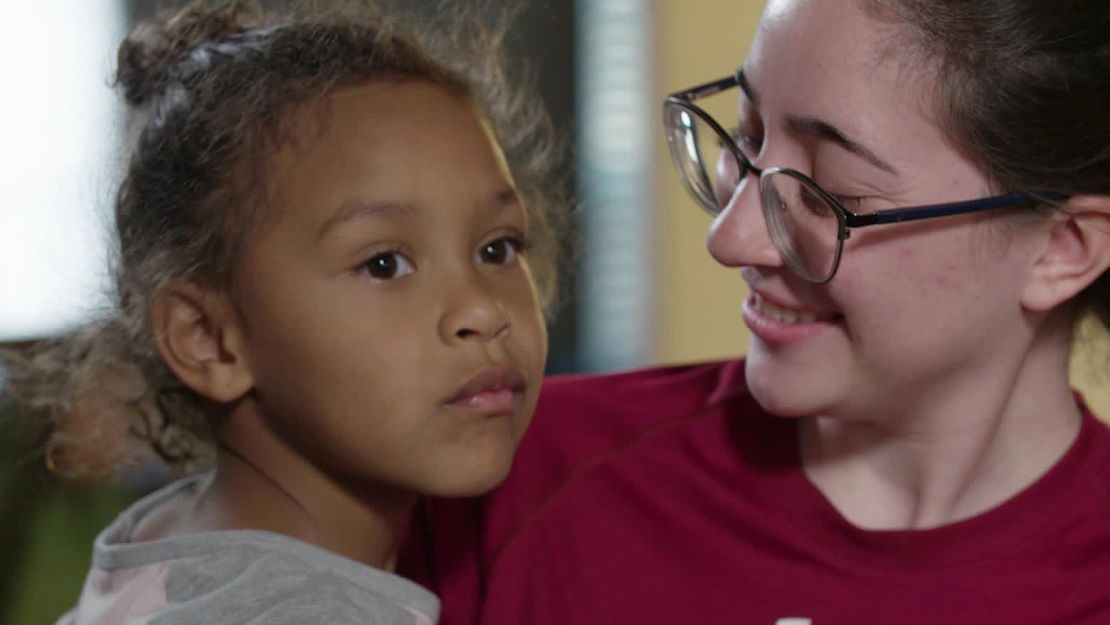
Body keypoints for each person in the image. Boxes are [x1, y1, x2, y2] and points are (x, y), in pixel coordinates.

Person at [399, 0, 1110, 623]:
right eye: (746, 139)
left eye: (831, 192)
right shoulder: (507, 475)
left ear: (1065, 249)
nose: (729, 237)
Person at [0, 1, 565, 623]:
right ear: (210, 338)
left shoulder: (165, 538)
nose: (483, 310)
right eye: (384, 264)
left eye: (497, 248)